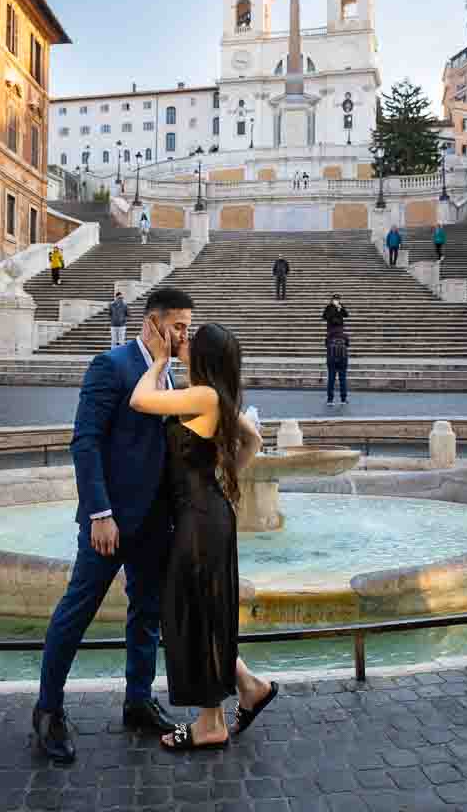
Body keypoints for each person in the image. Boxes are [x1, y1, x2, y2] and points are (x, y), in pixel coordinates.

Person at [32, 287, 195, 763]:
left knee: (146, 613)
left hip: (154, 521)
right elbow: (85, 442)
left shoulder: (167, 374)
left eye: (187, 326)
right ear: (153, 322)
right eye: (179, 326)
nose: (184, 335)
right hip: (111, 522)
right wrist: (100, 513)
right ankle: (47, 710)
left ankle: (138, 700)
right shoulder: (111, 365)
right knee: (77, 610)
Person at [130, 319, 277, 751]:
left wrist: (157, 360)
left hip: (198, 519)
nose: (184, 342)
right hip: (205, 514)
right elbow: (253, 441)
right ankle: (249, 687)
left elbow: (140, 400)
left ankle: (211, 724)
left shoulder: (203, 396)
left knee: (191, 615)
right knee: (202, 611)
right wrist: (226, 476)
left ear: (207, 355)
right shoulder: (212, 398)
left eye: (192, 340)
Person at [322, 295, 349, 405]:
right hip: (342, 357)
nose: (337, 301)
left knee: (331, 378)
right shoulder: (344, 336)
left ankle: (330, 399)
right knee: (342, 378)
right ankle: (343, 399)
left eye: (338, 299)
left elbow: (346, 314)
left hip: (332, 356)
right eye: (335, 299)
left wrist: (340, 308)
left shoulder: (329, 337)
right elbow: (325, 316)